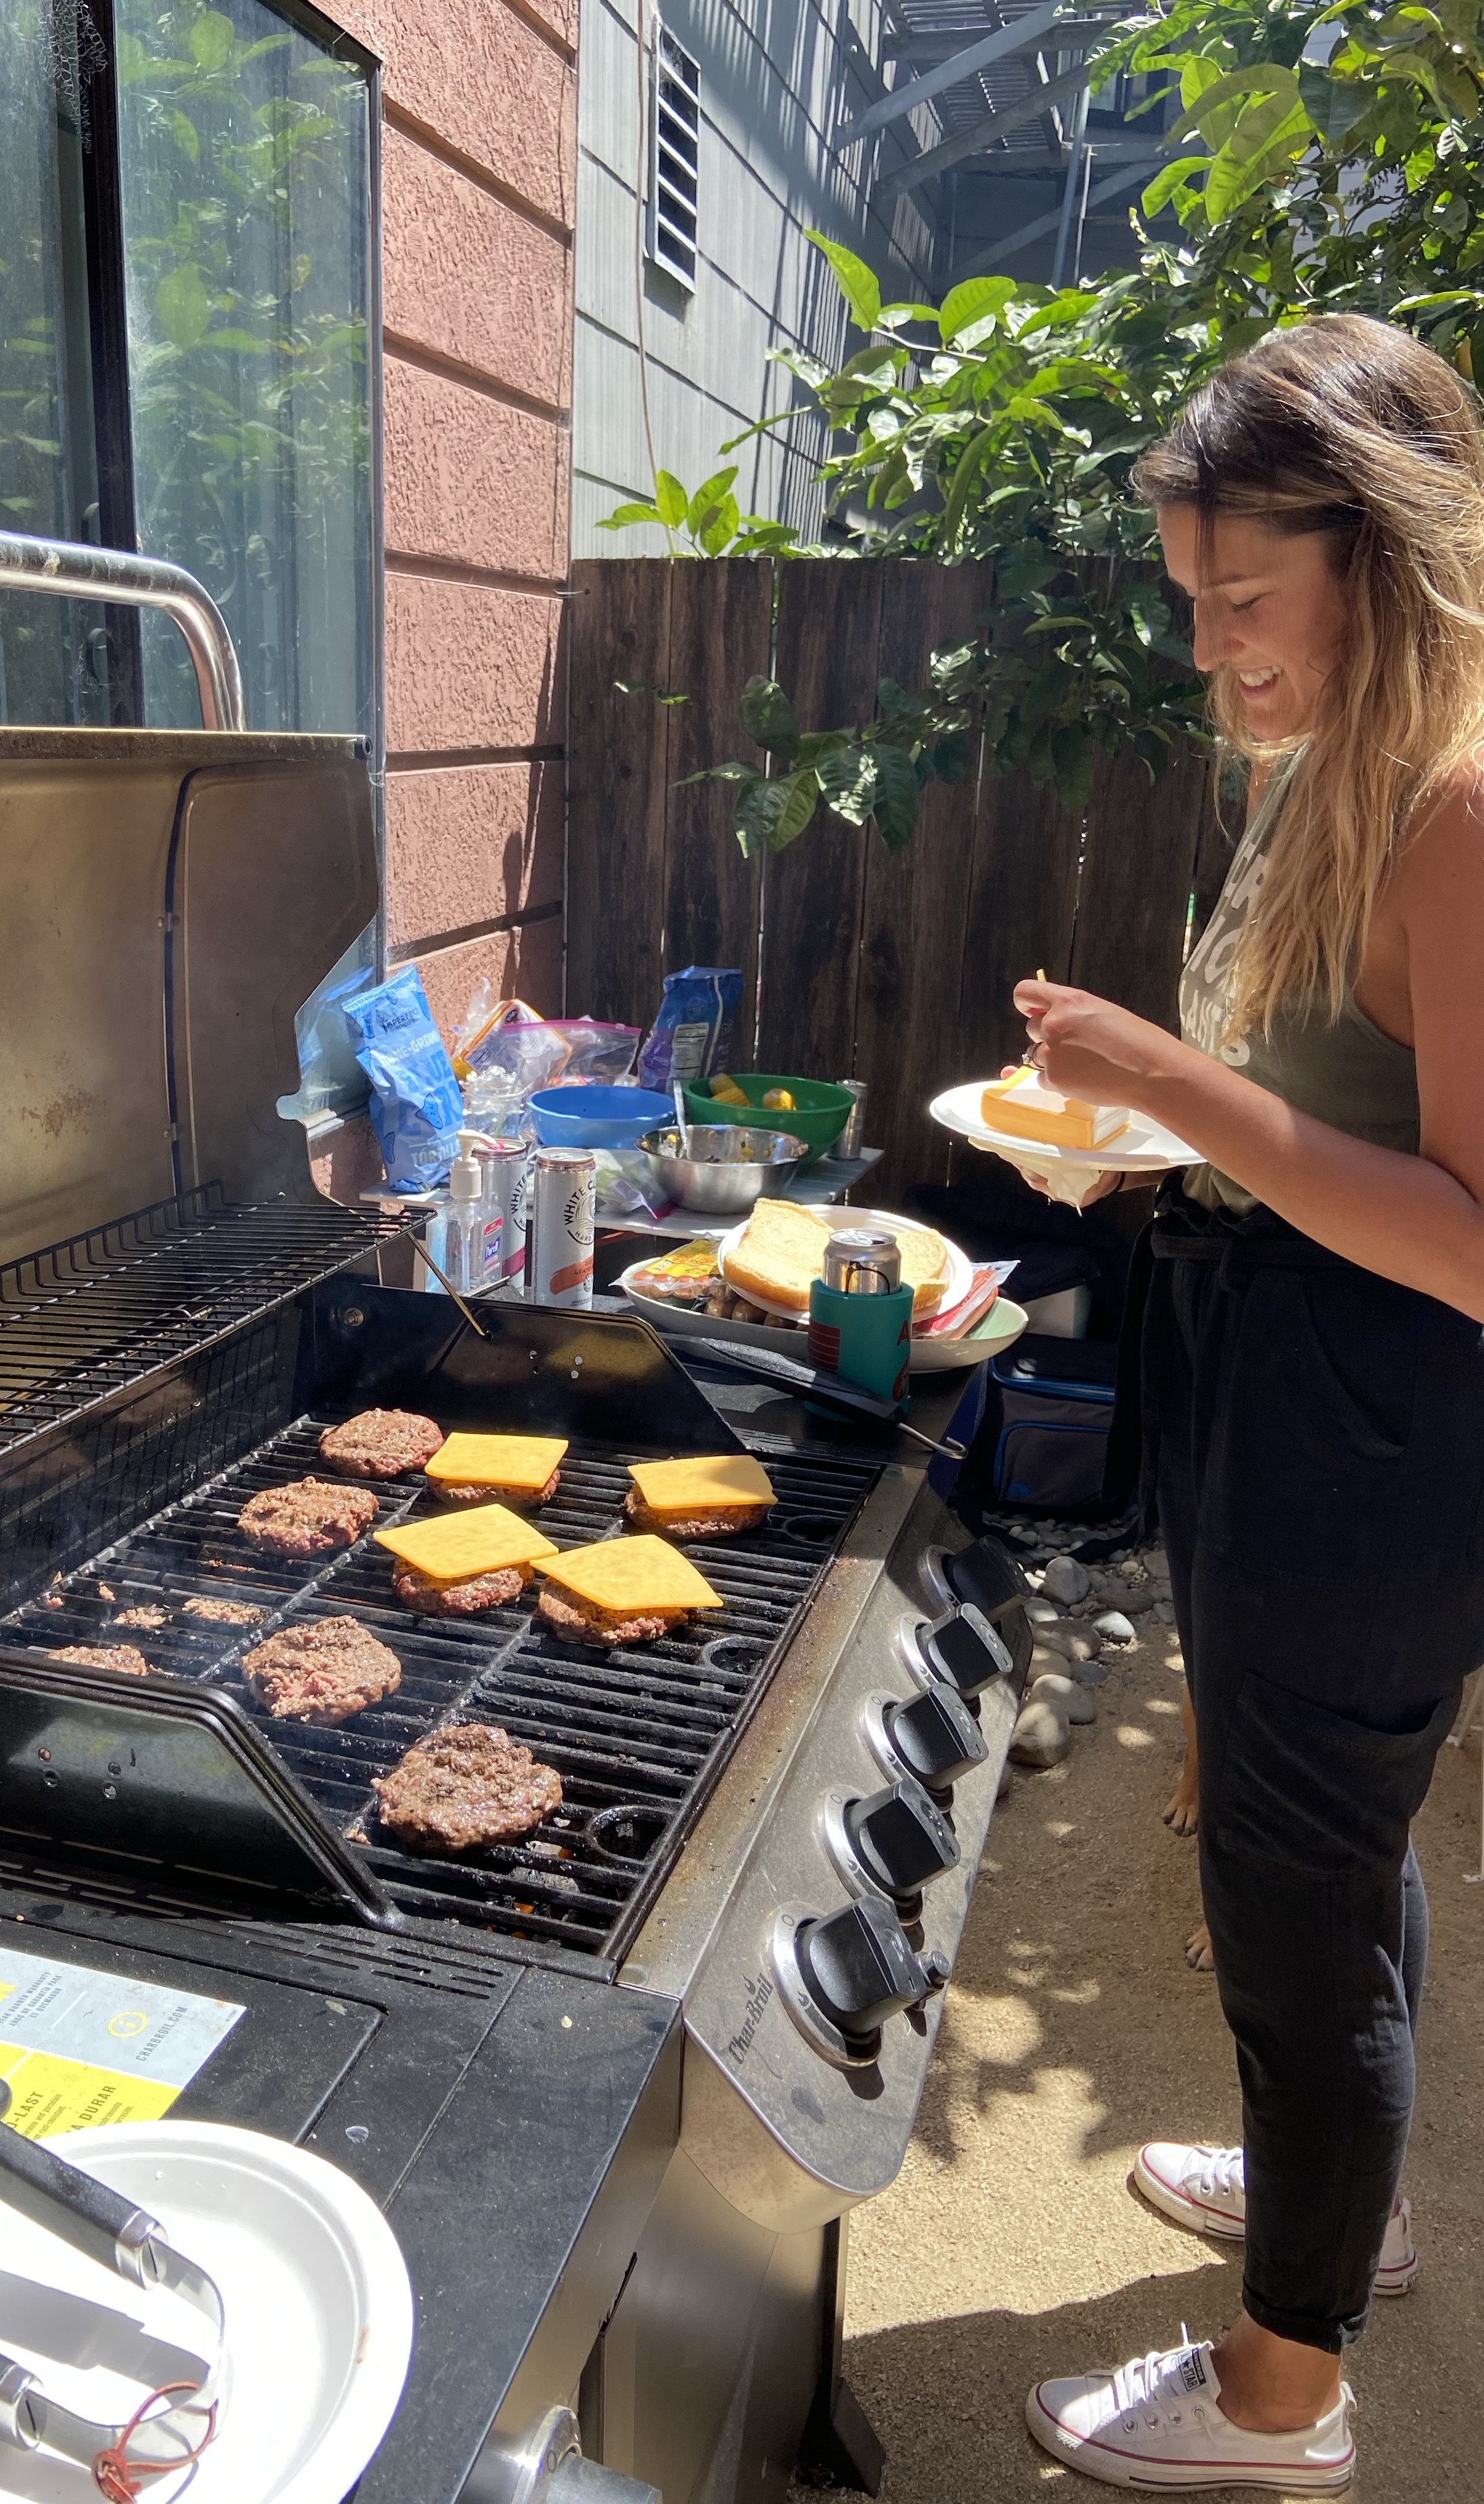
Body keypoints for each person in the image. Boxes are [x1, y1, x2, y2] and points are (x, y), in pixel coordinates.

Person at [1013, 313, 1484, 2492]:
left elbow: (1480, 1240)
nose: (1211, 653)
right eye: (1189, 605)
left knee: (1296, 1900)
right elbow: (1319, 1114)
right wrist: (1147, 1136)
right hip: (1286, 1366)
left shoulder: (1467, 804)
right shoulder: (1344, 763)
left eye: (1244, 604)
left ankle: (1281, 2396)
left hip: (1379, 1414)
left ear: (1379, 562)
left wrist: (1173, 1089)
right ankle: (1344, 2221)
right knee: (1328, 1849)